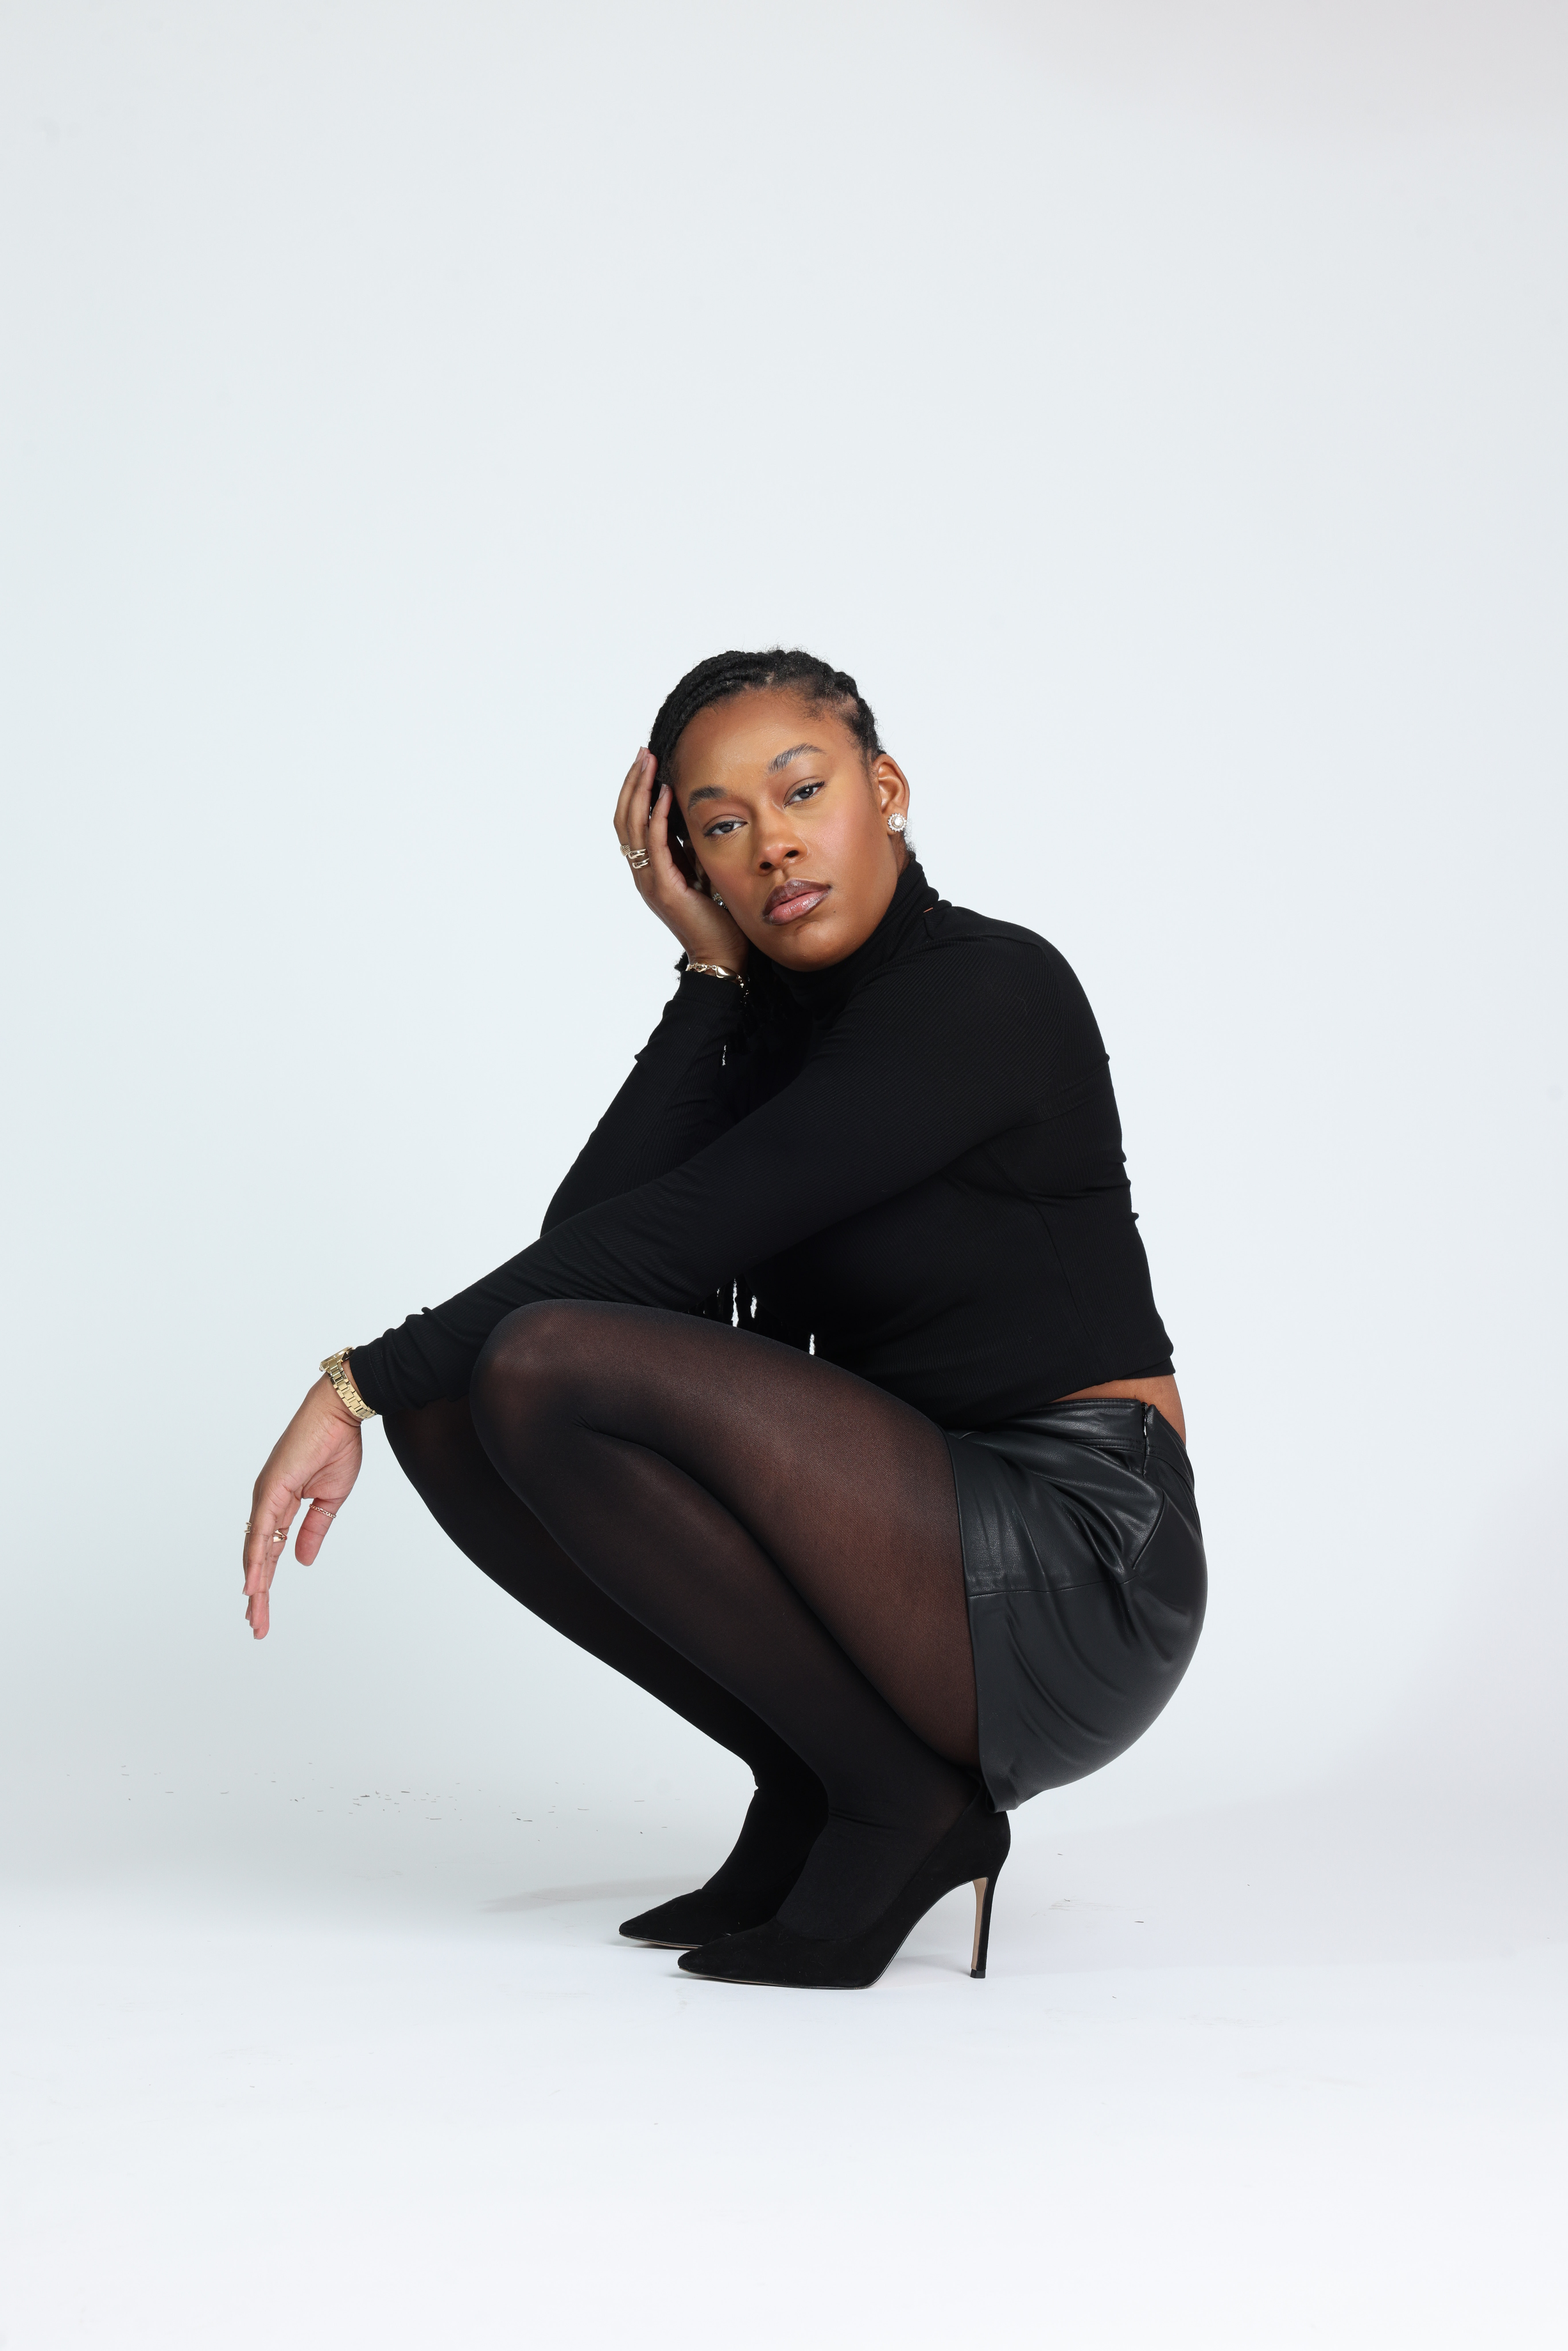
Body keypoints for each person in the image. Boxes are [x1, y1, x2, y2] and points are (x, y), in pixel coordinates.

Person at [242, 649, 1206, 1990]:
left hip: (1079, 1557)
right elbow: (584, 1256)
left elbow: (633, 1270)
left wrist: (347, 1384)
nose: (773, 844)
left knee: (515, 1360)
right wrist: (711, 984)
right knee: (464, 1403)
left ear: (886, 789)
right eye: (720, 824)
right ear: (681, 858)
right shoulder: (769, 1033)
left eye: (802, 789)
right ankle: (818, 1780)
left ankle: (902, 1806)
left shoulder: (988, 993)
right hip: (909, 1537)